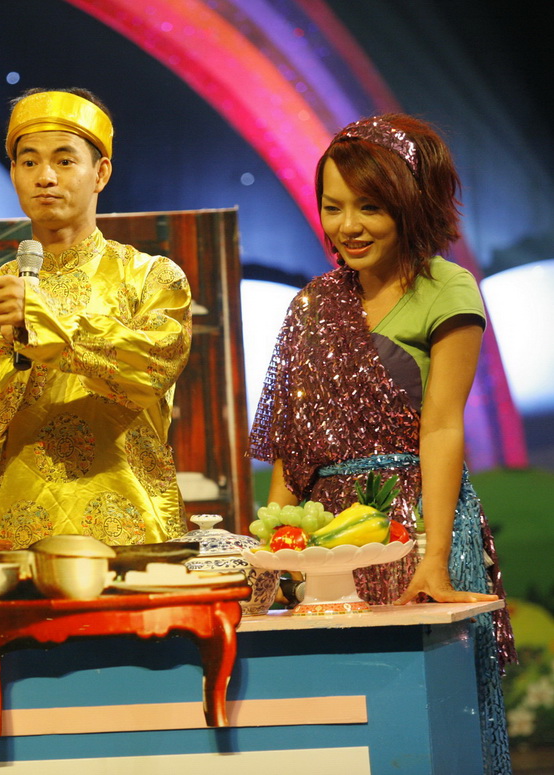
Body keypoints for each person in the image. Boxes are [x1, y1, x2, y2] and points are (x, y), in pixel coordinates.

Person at [249, 114, 516, 773]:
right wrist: (275, 558)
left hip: (415, 524)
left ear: (409, 203)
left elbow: (442, 426)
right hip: (326, 540)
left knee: (425, 713)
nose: (349, 226)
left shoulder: (446, 288)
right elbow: (292, 448)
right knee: (335, 718)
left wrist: (431, 558)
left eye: (369, 206)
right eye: (333, 207)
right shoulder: (311, 305)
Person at [0, 88, 193, 548]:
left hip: (134, 533)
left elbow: (153, 369)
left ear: (100, 172)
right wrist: (6, 347)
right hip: (26, 536)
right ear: (13, 173)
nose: (45, 177)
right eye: (29, 162)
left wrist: (47, 326)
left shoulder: (151, 276)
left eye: (64, 161)